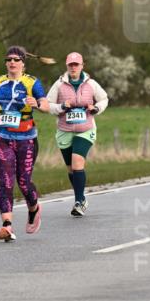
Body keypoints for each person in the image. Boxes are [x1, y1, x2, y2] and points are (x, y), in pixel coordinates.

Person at [0, 45, 49, 241]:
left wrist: (36, 104)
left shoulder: (32, 83)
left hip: (26, 138)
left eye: (16, 59)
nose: (12, 62)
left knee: (24, 182)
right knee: (5, 181)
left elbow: (46, 105)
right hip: (1, 137)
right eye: (8, 59)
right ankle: (7, 225)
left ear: (23, 62)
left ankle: (34, 207)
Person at [47, 52, 109, 212]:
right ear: (67, 66)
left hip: (85, 129)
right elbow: (47, 104)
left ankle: (78, 202)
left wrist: (96, 108)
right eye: (70, 65)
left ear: (82, 66)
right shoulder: (59, 84)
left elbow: (104, 99)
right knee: (70, 169)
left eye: (76, 65)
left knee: (77, 162)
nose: (73, 67)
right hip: (64, 130)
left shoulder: (91, 84)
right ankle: (81, 197)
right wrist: (61, 107)